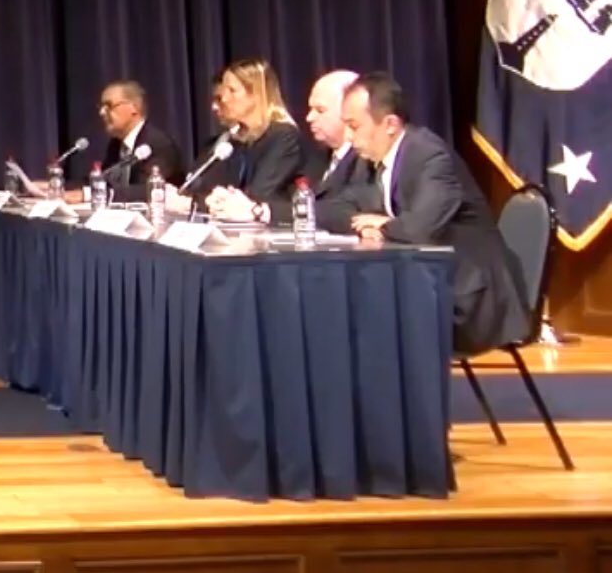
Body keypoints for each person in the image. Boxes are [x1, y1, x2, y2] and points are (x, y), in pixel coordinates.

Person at [339, 72, 530, 355]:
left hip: (469, 296)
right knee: (353, 304)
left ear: (390, 124)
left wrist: (383, 225)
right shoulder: (369, 159)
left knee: (368, 315)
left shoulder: (429, 155)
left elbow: (421, 229)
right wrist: (365, 226)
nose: (348, 136)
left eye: (354, 126)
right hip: (429, 284)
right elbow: (337, 205)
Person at [207, 69, 368, 227]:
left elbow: (344, 211)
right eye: (310, 109)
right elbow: (291, 200)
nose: (309, 117)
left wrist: (259, 211)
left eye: (320, 110)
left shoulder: (364, 159)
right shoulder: (320, 158)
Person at [176, 58, 306, 213]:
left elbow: (255, 197)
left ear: (257, 94)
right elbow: (209, 187)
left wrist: (194, 204)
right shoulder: (235, 139)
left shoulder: (284, 136)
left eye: (232, 91)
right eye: (224, 91)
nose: (224, 99)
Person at [93, 79, 186, 202]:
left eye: (109, 106)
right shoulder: (116, 144)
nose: (102, 112)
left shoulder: (158, 144)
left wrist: (91, 194)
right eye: (101, 107)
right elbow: (105, 179)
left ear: (134, 108)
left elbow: (148, 190)